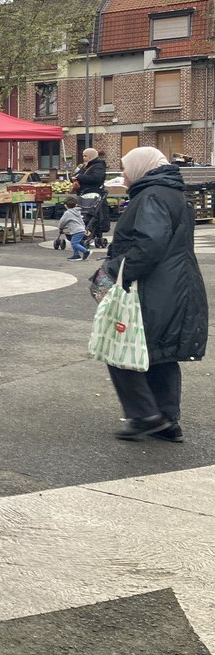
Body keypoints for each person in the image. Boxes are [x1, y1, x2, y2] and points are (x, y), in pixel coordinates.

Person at [102, 147, 207, 442]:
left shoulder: (151, 196)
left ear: (141, 167)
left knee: (121, 347)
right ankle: (167, 420)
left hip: (154, 287)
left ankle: (144, 414)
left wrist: (117, 271)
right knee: (160, 352)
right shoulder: (172, 192)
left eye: (125, 168)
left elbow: (149, 244)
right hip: (177, 285)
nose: (123, 175)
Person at [73, 147, 109, 249]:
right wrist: (75, 178)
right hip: (83, 194)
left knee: (95, 214)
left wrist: (79, 177)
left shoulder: (98, 166)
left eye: (86, 156)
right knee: (84, 214)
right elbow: (77, 174)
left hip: (94, 194)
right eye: (83, 155)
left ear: (91, 156)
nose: (84, 158)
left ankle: (96, 233)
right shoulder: (84, 166)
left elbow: (96, 178)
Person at [57, 196, 89, 261]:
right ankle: (76, 255)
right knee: (75, 242)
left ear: (65, 205)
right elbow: (81, 221)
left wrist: (60, 227)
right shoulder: (78, 212)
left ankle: (86, 252)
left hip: (76, 230)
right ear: (76, 205)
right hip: (81, 229)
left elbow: (62, 221)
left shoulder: (67, 213)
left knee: (74, 243)